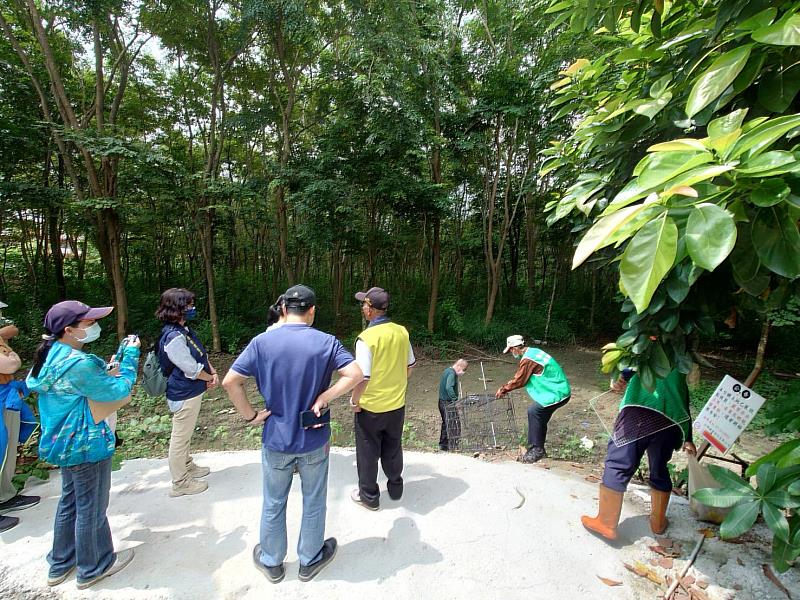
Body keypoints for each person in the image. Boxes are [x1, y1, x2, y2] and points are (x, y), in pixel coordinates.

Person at [223, 284, 363, 584]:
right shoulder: (326, 342)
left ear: (284, 309)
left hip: (275, 436)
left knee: (274, 500)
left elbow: (230, 382)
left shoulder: (262, 342)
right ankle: (310, 559)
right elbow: (355, 374)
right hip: (314, 436)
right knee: (314, 498)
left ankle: (272, 560)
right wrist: (326, 396)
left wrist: (250, 415)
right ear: (312, 311)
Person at [25, 300, 138, 589]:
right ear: (69, 329)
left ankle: (60, 563)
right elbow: (118, 390)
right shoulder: (79, 364)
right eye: (88, 322)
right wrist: (130, 359)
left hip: (60, 444)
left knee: (70, 501)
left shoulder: (50, 356)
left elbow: (90, 380)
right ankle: (94, 566)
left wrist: (111, 364)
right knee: (92, 506)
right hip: (85, 444)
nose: (94, 326)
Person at [581, 368, 696, 542]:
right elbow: (683, 394)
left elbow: (631, 363)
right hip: (673, 420)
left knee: (617, 463)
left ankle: (606, 523)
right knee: (660, 468)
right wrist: (688, 437)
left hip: (640, 409)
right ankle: (658, 523)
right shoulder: (680, 354)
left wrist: (622, 377)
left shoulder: (646, 342)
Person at [349, 286, 415, 511]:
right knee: (393, 446)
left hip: (371, 407)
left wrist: (355, 401)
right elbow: (410, 367)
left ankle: (369, 497)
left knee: (368, 453)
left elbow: (363, 376)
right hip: (397, 405)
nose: (362, 308)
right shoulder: (401, 332)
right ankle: (395, 487)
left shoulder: (366, 339)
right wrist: (396, 387)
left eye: (364, 305)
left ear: (370, 310)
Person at [156, 288, 217, 497]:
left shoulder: (184, 330)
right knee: (180, 438)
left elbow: (200, 354)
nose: (192, 309)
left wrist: (212, 371)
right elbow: (190, 368)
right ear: (177, 309)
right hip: (183, 392)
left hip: (192, 389)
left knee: (186, 433)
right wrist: (209, 378)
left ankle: (187, 465)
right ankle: (180, 482)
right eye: (188, 305)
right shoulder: (173, 337)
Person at [495, 335, 571, 463]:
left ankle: (536, 450)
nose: (511, 353)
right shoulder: (534, 352)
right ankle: (539, 449)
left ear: (514, 348)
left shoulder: (528, 359)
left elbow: (520, 380)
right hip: (560, 389)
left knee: (534, 412)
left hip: (557, 393)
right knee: (539, 418)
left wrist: (503, 389)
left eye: (510, 351)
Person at [0, 322, 39, 533]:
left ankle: (5, 496)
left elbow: (12, 329)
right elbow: (9, 364)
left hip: (6, 396)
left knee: (7, 449)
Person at [438, 359, 468, 451]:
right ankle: (453, 445)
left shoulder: (446, 371)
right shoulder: (452, 374)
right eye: (463, 369)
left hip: (441, 402)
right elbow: (448, 387)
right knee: (453, 424)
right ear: (459, 366)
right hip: (447, 403)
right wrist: (455, 400)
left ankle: (443, 445)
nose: (462, 372)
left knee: (445, 423)